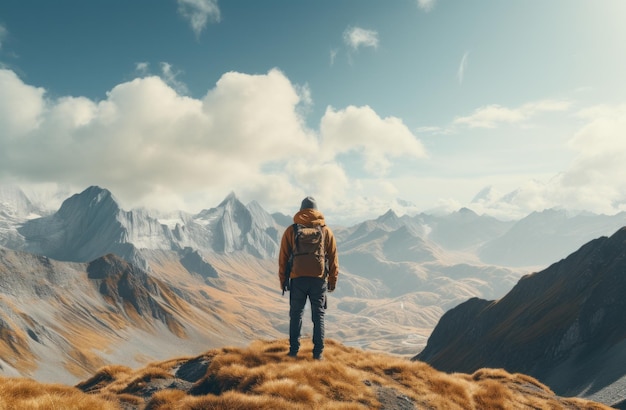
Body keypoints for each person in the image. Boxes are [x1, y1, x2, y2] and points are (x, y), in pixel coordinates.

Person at [278, 196, 338, 360]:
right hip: (318, 280)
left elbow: (283, 258)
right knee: (318, 316)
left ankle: (293, 351)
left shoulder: (292, 230)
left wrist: (283, 280)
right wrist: (332, 281)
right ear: (316, 211)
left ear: (301, 210)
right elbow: (333, 258)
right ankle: (318, 353)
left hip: (297, 279)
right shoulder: (325, 231)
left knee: (296, 314)